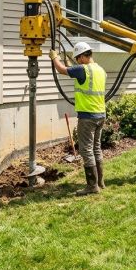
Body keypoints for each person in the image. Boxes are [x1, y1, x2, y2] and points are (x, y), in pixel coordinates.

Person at [49, 42, 106, 196]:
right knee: (96, 148)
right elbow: (77, 73)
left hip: (87, 116)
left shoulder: (83, 69)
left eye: (78, 59)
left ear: (81, 57)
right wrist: (69, 63)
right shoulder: (100, 70)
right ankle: (100, 182)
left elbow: (61, 70)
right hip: (100, 114)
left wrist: (54, 58)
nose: (78, 61)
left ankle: (92, 186)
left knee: (86, 150)